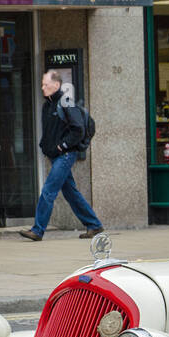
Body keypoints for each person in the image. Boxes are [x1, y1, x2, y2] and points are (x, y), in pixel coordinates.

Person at [20, 70, 101, 240]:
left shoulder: (65, 102)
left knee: (48, 190)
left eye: (45, 84)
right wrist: (45, 146)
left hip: (65, 155)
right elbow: (50, 131)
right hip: (56, 155)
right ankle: (94, 225)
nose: (42, 88)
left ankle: (37, 230)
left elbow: (78, 129)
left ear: (56, 85)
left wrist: (61, 146)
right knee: (71, 193)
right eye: (42, 84)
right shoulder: (47, 105)